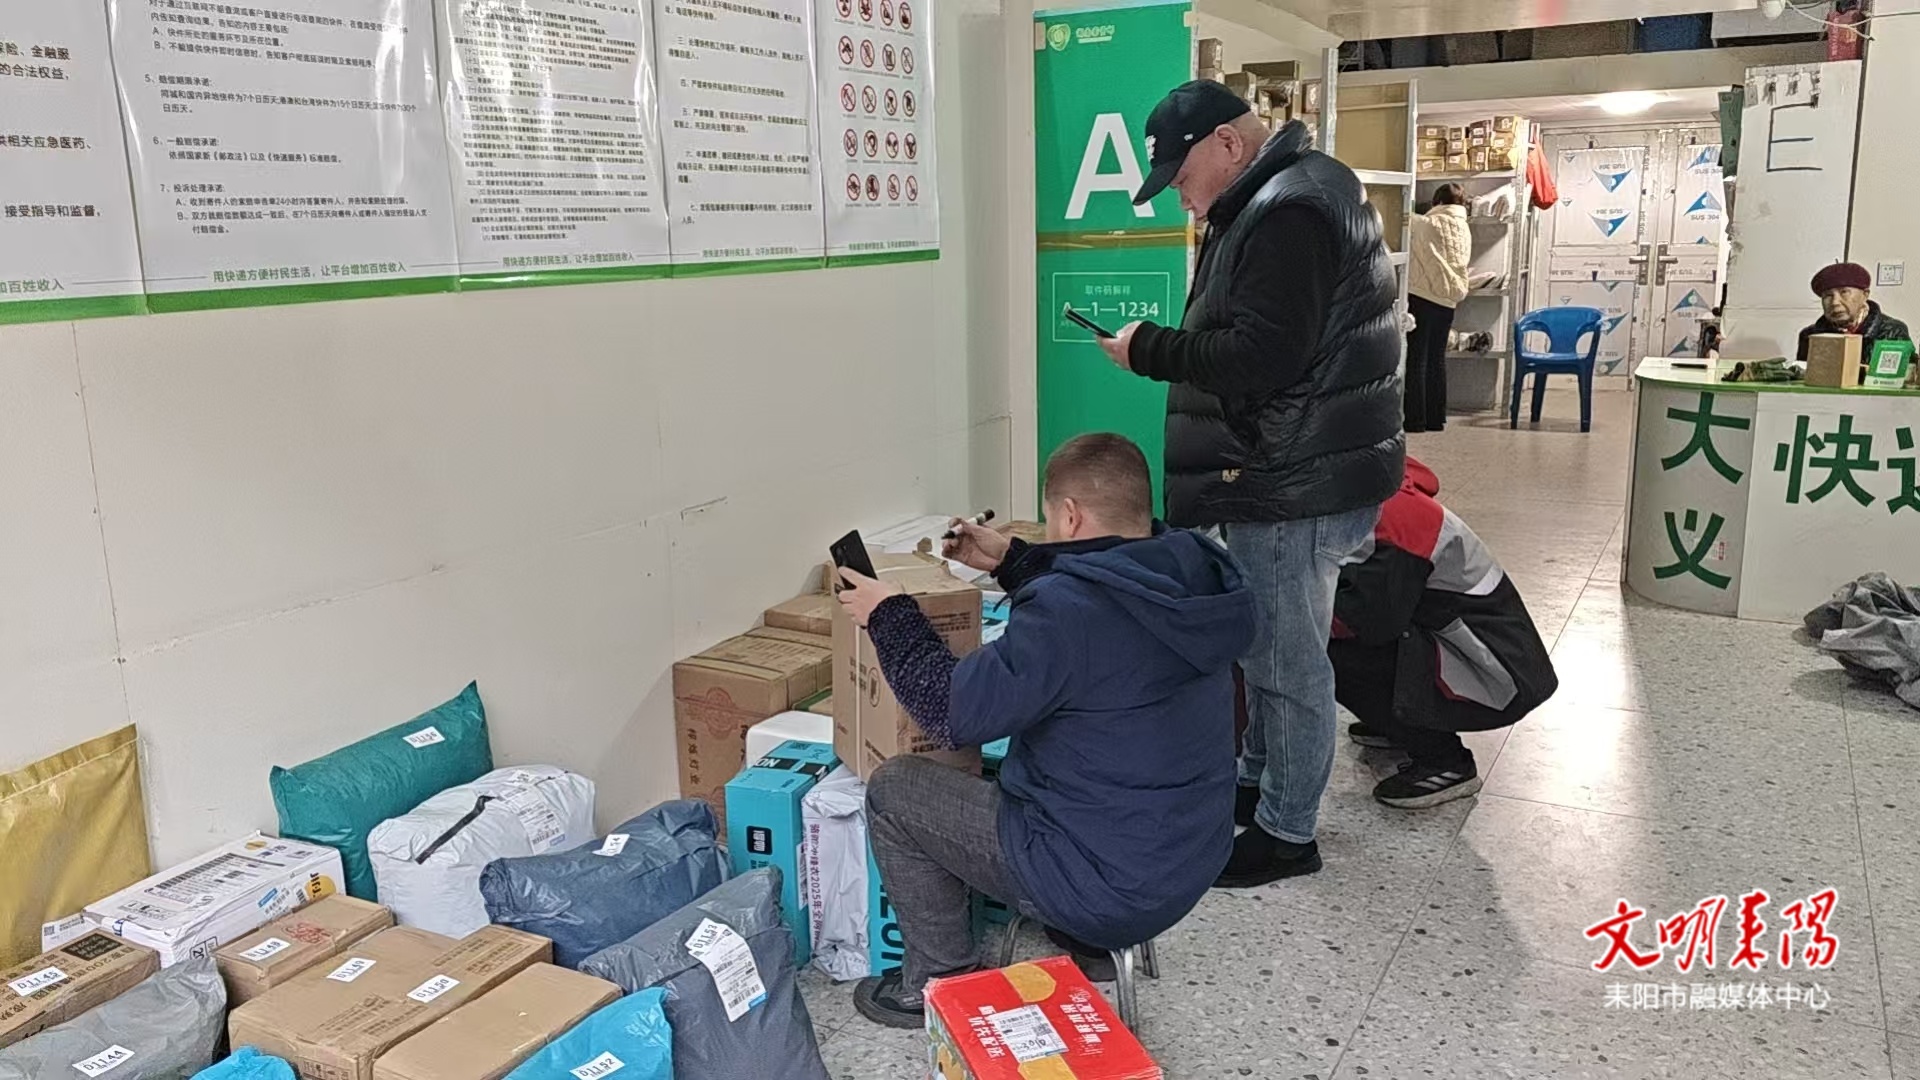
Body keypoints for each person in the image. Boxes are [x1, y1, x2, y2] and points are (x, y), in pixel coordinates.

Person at [832, 433, 1257, 1029]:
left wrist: (888, 615)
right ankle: (1089, 944)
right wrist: (1014, 560)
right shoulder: (1194, 570)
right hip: (1191, 856)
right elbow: (1113, 596)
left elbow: (948, 711)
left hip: (1105, 882)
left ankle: (939, 980)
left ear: (1070, 515)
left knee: (897, 789)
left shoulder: (1067, 615)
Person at [1093, 79, 1404, 888]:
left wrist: (1149, 349)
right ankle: (1262, 782)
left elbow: (1263, 356)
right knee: (1267, 646)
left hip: (1291, 479)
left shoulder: (1289, 211)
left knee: (1285, 663)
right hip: (1295, 467)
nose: (1182, 199)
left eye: (1183, 178)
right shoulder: (1287, 193)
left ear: (1228, 145)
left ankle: (1287, 833)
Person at [1331, 456, 1557, 807]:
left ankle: (1445, 760)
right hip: (1476, 644)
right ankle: (1395, 721)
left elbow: (1370, 621)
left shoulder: (1398, 520)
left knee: (1331, 652)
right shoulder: (1381, 490)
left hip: (1496, 669)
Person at [1405, 183, 1472, 433]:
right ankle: (1436, 418)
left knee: (1417, 359)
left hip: (1422, 297)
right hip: (1448, 302)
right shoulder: (1464, 228)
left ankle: (1415, 420)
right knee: (1436, 359)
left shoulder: (1427, 224)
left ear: (1437, 202)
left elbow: (1402, 215)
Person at [1796, 262, 1911, 365]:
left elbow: (1905, 376)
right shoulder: (1810, 336)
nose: (1835, 302)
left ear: (1865, 295)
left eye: (1844, 292)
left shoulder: (1892, 331)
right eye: (1828, 296)